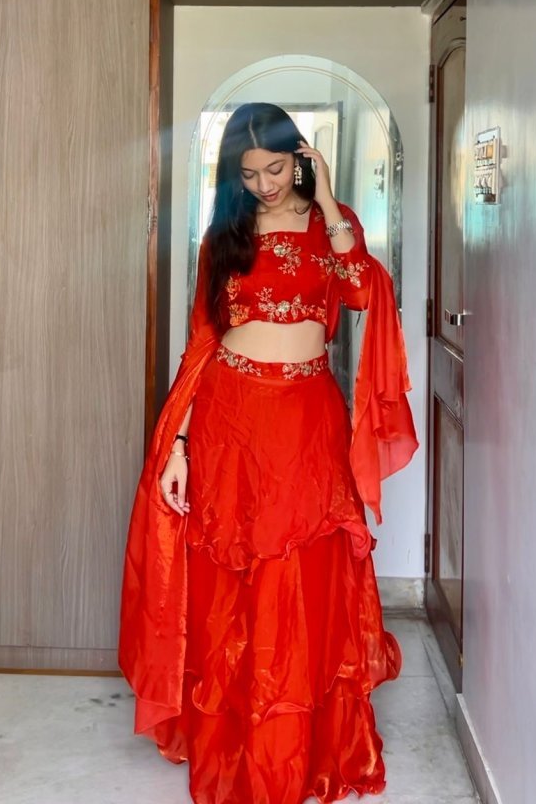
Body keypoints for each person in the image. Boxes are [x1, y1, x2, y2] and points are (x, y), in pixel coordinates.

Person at [119, 103, 418, 804]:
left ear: (301, 158)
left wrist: (330, 197)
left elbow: (362, 288)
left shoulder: (329, 225)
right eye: (249, 174)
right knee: (233, 576)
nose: (264, 185)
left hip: (307, 418)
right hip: (230, 417)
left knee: (303, 571)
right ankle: (239, 747)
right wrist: (179, 444)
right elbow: (202, 340)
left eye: (276, 168)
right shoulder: (224, 236)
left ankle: (294, 749)